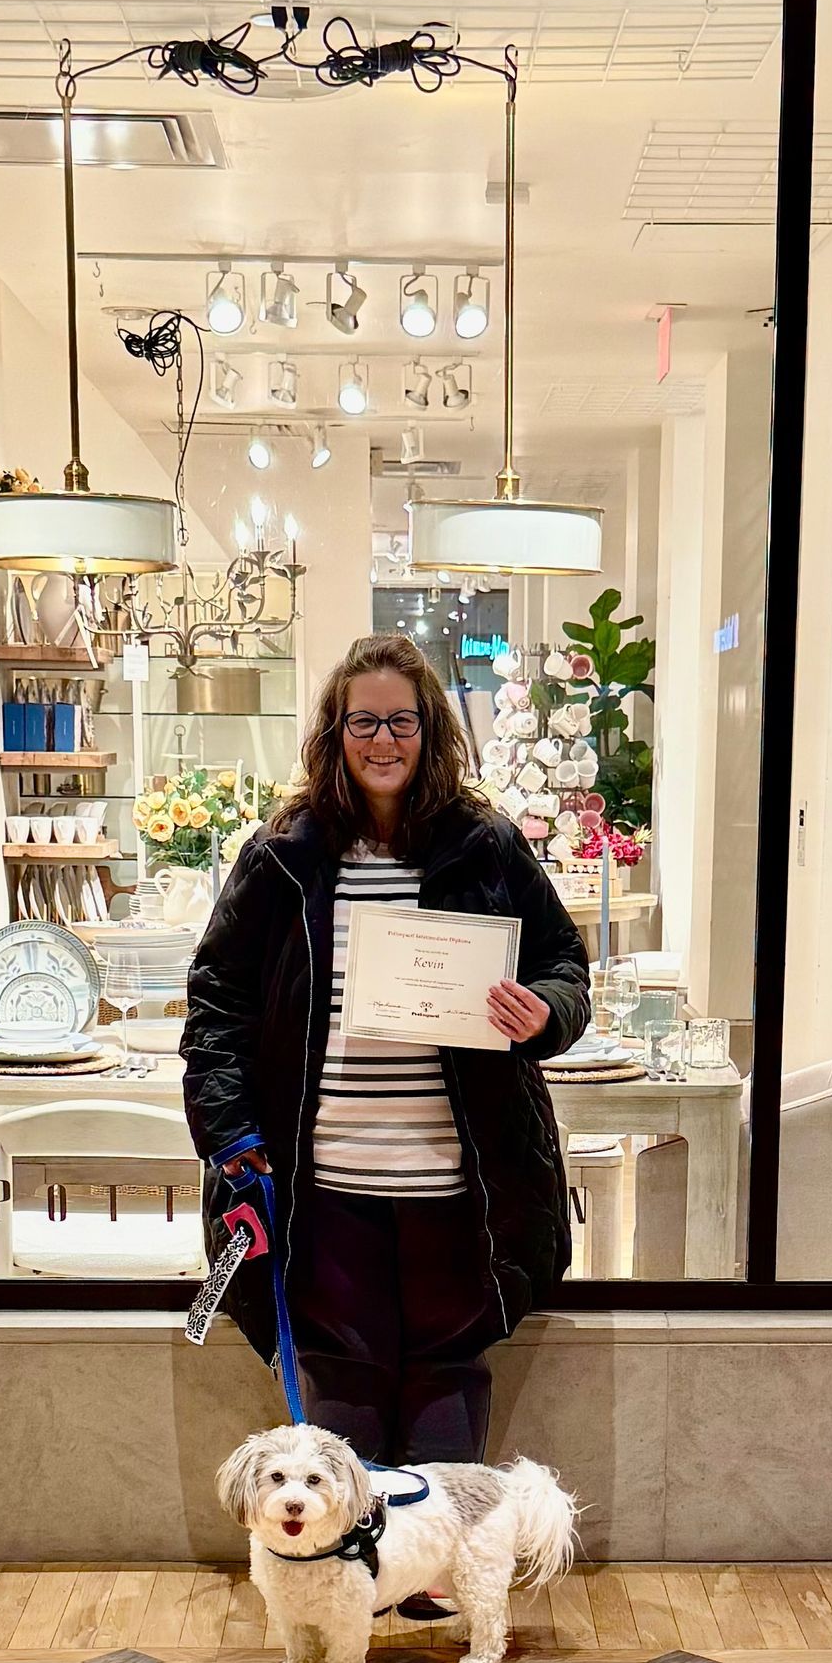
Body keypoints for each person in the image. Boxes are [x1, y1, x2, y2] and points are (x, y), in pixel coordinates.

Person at [183, 630, 590, 1480]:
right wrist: (230, 1134)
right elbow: (217, 1004)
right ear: (334, 735)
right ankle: (353, 1561)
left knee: (451, 1367)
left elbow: (564, 967)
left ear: (430, 731)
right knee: (341, 1372)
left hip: (459, 1173)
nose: (382, 742)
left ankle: (438, 1562)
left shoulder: (486, 846)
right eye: (362, 724)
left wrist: (540, 1012)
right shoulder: (283, 857)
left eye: (400, 722)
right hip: (322, 1179)